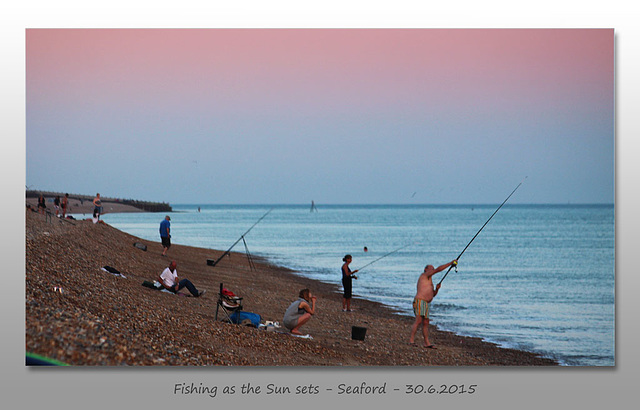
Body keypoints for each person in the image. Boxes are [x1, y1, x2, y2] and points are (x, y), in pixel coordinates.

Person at [409, 259, 458, 349]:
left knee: (426, 323)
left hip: (426, 303)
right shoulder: (424, 275)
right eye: (431, 269)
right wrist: (450, 263)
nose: (432, 270)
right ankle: (411, 340)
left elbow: (433, 295)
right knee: (418, 320)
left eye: (433, 268)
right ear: (426, 270)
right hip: (420, 301)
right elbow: (438, 270)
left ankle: (426, 343)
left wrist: (437, 289)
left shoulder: (429, 281)